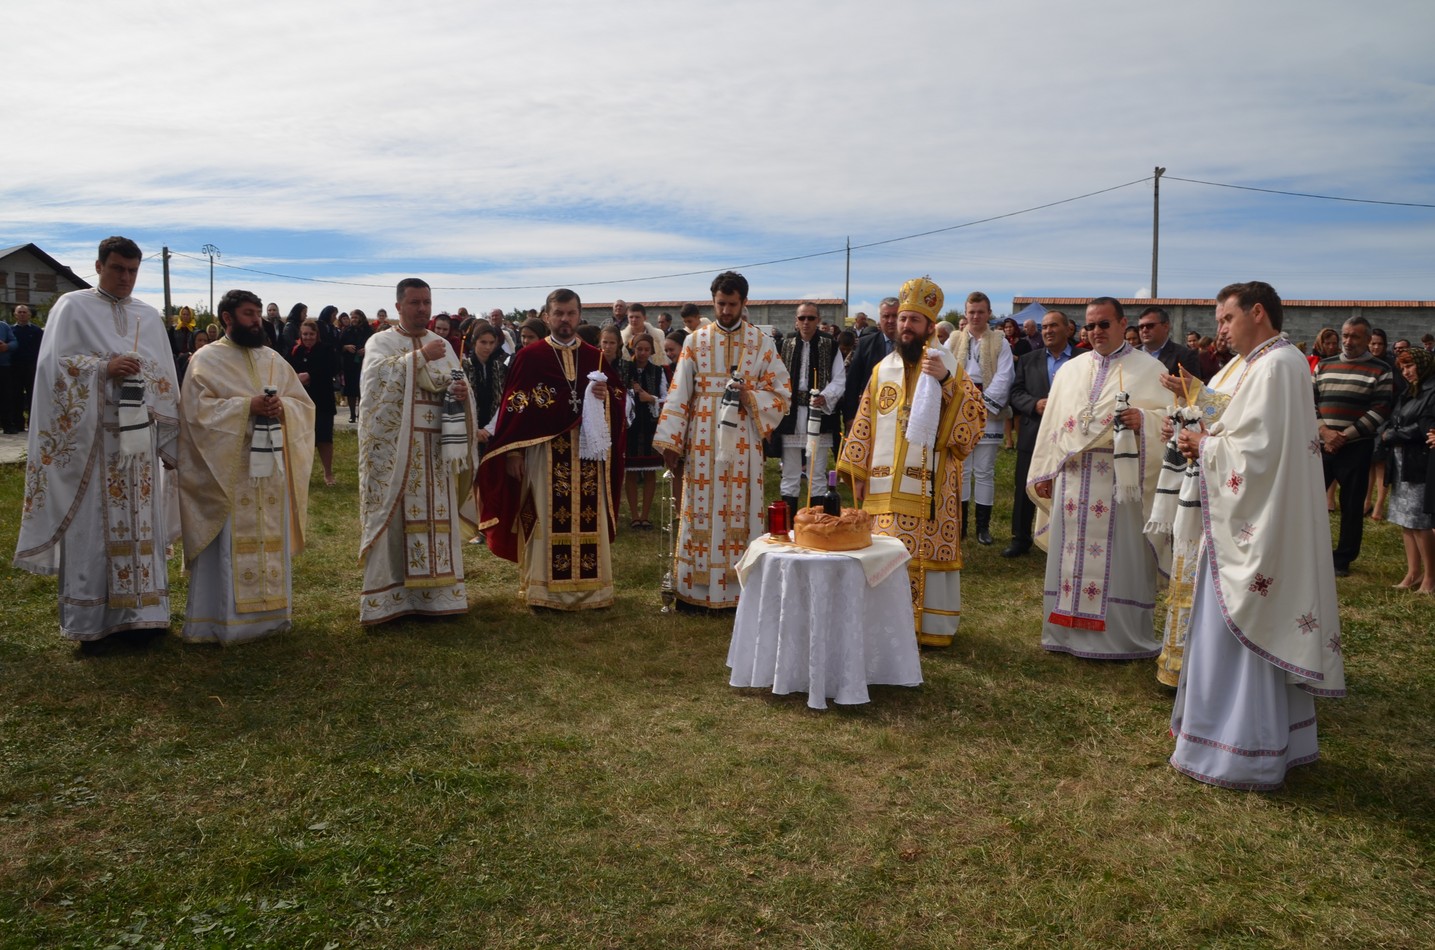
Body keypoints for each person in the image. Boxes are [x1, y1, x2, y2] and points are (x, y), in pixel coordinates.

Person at [1169, 281, 1346, 790]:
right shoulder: (1250, 363)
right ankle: (1226, 737)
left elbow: (1260, 452)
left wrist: (1202, 443)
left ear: (1258, 312)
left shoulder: (1278, 363)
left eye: (1226, 318)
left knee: (1243, 623)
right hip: (1237, 517)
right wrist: (1188, 422)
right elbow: (1222, 416)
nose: (1220, 329)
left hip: (1258, 523)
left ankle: (1243, 749)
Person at [13, 236, 181, 644]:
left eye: (132, 271)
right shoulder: (72, 307)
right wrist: (104, 367)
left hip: (138, 443)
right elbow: (53, 369)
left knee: (143, 525)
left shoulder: (149, 315)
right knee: (94, 530)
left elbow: (165, 377)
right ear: (98, 266)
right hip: (92, 446)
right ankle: (95, 625)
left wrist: (168, 437)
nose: (125, 278)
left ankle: (145, 618)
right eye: (118, 269)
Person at [836, 276, 986, 647]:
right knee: (883, 552)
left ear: (929, 327)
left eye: (914, 321)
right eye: (902, 319)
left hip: (929, 486)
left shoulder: (946, 363)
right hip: (883, 487)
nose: (906, 326)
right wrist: (856, 470)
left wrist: (948, 381)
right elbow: (865, 420)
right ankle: (881, 626)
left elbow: (975, 418)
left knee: (922, 550)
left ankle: (929, 627)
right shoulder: (882, 368)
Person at [1028, 297, 1169, 660]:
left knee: (1119, 559)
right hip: (1073, 480)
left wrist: (1144, 420)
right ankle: (1064, 632)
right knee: (1069, 557)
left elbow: (1170, 420)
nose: (1096, 332)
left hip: (1121, 481)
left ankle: (1118, 638)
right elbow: (1053, 425)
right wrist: (1045, 470)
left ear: (1124, 325)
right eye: (1090, 326)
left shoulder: (1150, 369)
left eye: (1104, 324)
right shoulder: (1071, 370)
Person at [177, 289, 315, 644]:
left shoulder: (272, 358)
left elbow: (304, 405)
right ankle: (219, 621)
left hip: (269, 469)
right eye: (249, 314)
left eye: (257, 314)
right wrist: (246, 407)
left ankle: (270, 618)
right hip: (227, 470)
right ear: (228, 318)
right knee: (228, 544)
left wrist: (282, 407)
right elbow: (195, 413)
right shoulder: (206, 359)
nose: (257, 321)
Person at [479, 288, 626, 609]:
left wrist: (604, 397)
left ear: (579, 316)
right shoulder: (530, 358)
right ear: (547, 316)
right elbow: (513, 409)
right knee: (544, 518)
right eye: (558, 313)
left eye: (571, 313)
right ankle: (543, 592)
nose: (564, 319)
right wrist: (514, 453)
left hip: (587, 454)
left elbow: (618, 398)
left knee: (587, 518)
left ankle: (592, 591)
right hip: (544, 454)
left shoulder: (595, 356)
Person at [654, 271, 790, 610]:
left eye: (732, 305)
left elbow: (781, 394)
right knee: (700, 508)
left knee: (741, 510)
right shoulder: (695, 341)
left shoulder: (761, 343)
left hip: (743, 439)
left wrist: (749, 396)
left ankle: (742, 592)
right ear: (712, 301)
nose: (725, 311)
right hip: (701, 438)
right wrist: (671, 441)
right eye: (720, 304)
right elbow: (680, 392)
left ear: (744, 303)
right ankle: (695, 591)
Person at [357, 277, 479, 625]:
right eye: (414, 302)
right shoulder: (381, 341)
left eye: (426, 302)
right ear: (398, 306)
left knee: (435, 516)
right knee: (395, 520)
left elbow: (460, 384)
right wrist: (418, 358)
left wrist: (459, 392)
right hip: (398, 455)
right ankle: (391, 599)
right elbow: (374, 386)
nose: (422, 308)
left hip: (437, 449)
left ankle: (439, 598)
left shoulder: (442, 343)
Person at [1314, 316, 1393, 576]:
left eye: (1355, 336)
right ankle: (1309, 550)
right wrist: (1324, 432)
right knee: (1310, 501)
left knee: (1351, 506)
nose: (1348, 341)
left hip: (1356, 447)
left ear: (1368, 340)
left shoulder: (1381, 370)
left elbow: (1380, 410)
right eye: (1345, 335)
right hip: (1320, 446)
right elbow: (1309, 403)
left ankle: (1342, 559)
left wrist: (1343, 436)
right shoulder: (1323, 366)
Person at [1003, 309, 1076, 558]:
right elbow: (1016, 392)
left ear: (1068, 329)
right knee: (1026, 485)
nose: (1047, 331)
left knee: (1069, 486)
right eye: (1044, 327)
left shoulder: (1083, 358)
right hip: (1034, 431)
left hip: (1073, 435)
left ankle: (1067, 538)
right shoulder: (1028, 359)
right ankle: (1020, 538)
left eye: (1053, 326)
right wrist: (1034, 404)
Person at [946, 291, 1014, 545]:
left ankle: (982, 528)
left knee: (984, 471)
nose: (975, 316)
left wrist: (981, 405)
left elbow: (1005, 375)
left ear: (989, 313)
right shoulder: (953, 340)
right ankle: (960, 526)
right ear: (965, 313)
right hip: (959, 408)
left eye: (981, 312)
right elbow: (944, 370)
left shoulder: (1000, 341)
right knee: (962, 470)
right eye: (971, 311)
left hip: (988, 409)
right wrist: (962, 404)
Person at [769, 301, 845, 512]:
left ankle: (817, 521)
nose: (806, 322)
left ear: (818, 320)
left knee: (817, 472)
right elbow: (774, 377)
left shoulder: (830, 344)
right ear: (796, 321)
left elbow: (839, 378)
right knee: (790, 472)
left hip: (819, 413)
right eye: (802, 318)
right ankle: (790, 525)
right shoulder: (784, 344)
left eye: (811, 318)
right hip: (791, 415)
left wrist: (825, 396)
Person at [1378, 347, 1435, 592]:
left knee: (1419, 522)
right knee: (1405, 520)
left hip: (1419, 463)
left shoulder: (1432, 392)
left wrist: (1392, 434)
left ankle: (1430, 577)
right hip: (1401, 461)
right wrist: (1391, 432)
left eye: (1410, 366)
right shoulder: (1409, 392)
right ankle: (1413, 573)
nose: (1406, 371)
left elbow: (1424, 429)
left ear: (1422, 365)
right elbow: (1395, 419)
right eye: (1402, 367)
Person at [288, 319, 340, 486]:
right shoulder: (295, 351)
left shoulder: (326, 349)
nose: (308, 337)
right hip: (301, 402)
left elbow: (334, 367)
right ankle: (303, 473)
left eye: (311, 334)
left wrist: (310, 375)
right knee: (301, 438)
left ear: (317, 334)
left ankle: (328, 473)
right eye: (305, 334)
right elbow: (286, 369)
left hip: (323, 400)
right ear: (300, 335)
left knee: (324, 438)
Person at [623, 335, 667, 528]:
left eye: (646, 349)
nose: (642, 353)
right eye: (639, 349)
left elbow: (666, 398)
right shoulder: (625, 369)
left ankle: (646, 515)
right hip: (630, 427)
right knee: (631, 473)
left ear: (651, 351)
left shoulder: (658, 372)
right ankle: (634, 516)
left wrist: (651, 398)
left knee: (650, 472)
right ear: (633, 349)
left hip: (650, 425)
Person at [842, 296, 899, 429]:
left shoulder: (911, 345)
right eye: (886, 316)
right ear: (880, 318)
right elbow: (853, 382)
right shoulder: (865, 344)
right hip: (871, 412)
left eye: (895, 316)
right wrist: (850, 417)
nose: (890, 321)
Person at [463, 320, 508, 460]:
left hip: (493, 432)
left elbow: (504, 401)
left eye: (491, 342)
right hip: (468, 433)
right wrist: (473, 430)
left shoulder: (500, 368)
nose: (488, 347)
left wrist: (489, 430)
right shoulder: (462, 367)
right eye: (483, 342)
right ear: (474, 342)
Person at [1136, 306, 1202, 378]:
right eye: (1141, 327)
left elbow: (1193, 387)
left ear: (1166, 327)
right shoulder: (1130, 353)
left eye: (1150, 326)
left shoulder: (1185, 356)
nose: (1144, 330)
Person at [11, 304, 43, 430]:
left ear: (30, 314)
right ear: (15, 314)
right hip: (15, 367)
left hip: (32, 367)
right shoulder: (10, 330)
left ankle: (32, 424)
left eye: (25, 312)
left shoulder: (37, 331)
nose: (22, 314)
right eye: (20, 312)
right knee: (16, 396)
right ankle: (18, 424)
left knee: (32, 396)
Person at [339, 307, 371, 423]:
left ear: (361, 318)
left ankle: (361, 414)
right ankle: (352, 414)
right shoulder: (346, 331)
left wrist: (366, 349)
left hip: (364, 364)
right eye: (352, 317)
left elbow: (374, 345)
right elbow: (339, 346)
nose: (353, 319)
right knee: (351, 391)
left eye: (356, 317)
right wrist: (346, 347)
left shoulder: (368, 330)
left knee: (362, 389)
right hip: (350, 364)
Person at [621, 302, 668, 367]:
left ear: (645, 318)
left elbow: (663, 355)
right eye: (631, 317)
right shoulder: (621, 336)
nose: (634, 320)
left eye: (637, 317)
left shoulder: (659, 334)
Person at [0, 311, 21, 434]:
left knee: (6, 397)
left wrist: (6, 347)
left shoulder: (3, 326)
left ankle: (7, 424)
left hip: (4, 367)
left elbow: (14, 342)